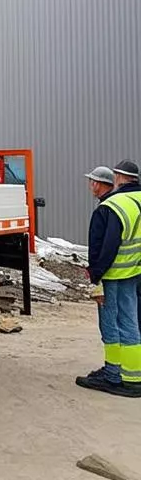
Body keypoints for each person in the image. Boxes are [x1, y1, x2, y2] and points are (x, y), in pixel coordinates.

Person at [76, 160, 141, 397]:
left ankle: (115, 376)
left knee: (113, 325)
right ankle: (132, 375)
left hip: (114, 275)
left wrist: (95, 273)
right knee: (132, 321)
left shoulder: (112, 206)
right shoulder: (138, 200)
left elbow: (107, 246)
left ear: (118, 177)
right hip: (135, 272)